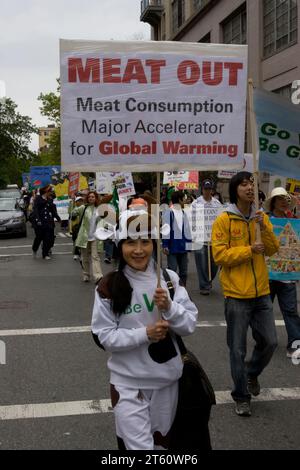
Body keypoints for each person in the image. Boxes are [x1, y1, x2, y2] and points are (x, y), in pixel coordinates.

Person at [91, 210, 198, 450]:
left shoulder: (169, 279)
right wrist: (145, 334)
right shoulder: (108, 286)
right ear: (120, 245)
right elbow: (103, 336)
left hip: (167, 381)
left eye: (145, 242)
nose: (138, 250)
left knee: (161, 446)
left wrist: (169, 307)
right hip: (128, 383)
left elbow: (189, 324)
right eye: (130, 242)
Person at [211, 171, 279, 417]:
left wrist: (264, 227)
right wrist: (249, 250)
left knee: (270, 341)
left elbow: (272, 249)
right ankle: (241, 395)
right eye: (244, 184)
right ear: (234, 189)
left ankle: (251, 374)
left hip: (261, 292)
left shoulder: (260, 216)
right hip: (236, 295)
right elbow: (219, 256)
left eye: (252, 183)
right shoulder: (224, 219)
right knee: (237, 349)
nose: (249, 187)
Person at [264, 187, 300, 360]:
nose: (284, 202)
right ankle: (264, 340)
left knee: (291, 310)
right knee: (264, 310)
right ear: (273, 203)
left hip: (288, 276)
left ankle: (295, 345)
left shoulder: (294, 222)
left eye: (286, 199)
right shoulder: (264, 220)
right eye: (280, 199)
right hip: (267, 274)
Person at [192, 179, 223, 295]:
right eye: (205, 189)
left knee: (214, 264)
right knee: (201, 263)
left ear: (212, 190)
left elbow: (221, 220)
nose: (207, 191)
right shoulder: (196, 203)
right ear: (202, 189)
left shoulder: (217, 203)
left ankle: (208, 280)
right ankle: (204, 285)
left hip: (214, 239)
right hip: (200, 239)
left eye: (209, 189)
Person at [72, 190, 103, 283]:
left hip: (95, 237)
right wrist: (74, 211)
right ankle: (86, 274)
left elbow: (103, 221)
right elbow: (73, 212)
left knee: (95, 257)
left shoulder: (100, 209)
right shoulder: (83, 208)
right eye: (89, 197)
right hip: (84, 236)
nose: (91, 198)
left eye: (93, 197)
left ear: (96, 198)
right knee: (85, 257)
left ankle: (98, 276)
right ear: (87, 198)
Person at [162, 190, 191, 286]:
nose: (185, 201)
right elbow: (165, 230)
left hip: (183, 248)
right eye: (183, 199)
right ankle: (172, 291)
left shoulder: (184, 213)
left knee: (184, 272)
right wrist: (165, 245)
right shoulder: (168, 213)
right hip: (172, 247)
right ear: (179, 200)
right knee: (172, 271)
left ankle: (183, 290)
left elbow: (187, 230)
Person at [31, 185, 61, 260]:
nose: (50, 193)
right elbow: (36, 210)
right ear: (45, 192)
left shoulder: (50, 200)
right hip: (39, 222)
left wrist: (58, 218)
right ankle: (35, 249)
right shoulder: (38, 199)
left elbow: (53, 210)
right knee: (39, 237)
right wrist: (38, 220)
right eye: (49, 191)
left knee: (47, 238)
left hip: (48, 222)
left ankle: (45, 254)